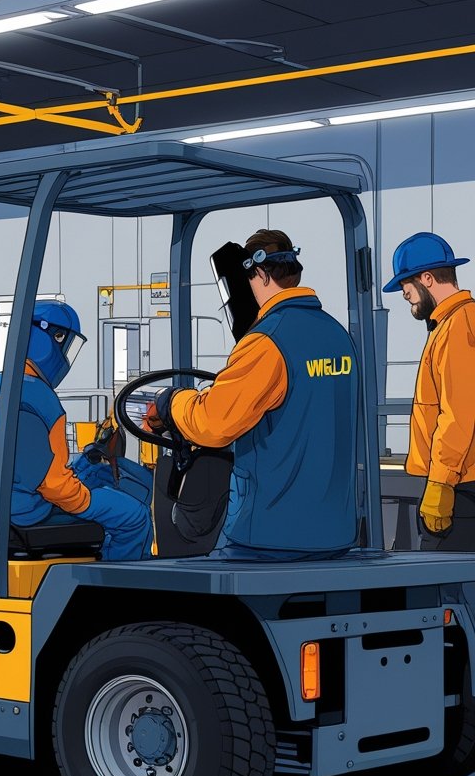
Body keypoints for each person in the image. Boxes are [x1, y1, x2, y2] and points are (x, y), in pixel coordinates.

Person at [145, 229, 359, 560]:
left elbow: (212, 424)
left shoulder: (266, 342)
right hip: (334, 533)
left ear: (260, 274)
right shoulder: (337, 336)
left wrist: (169, 402)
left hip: (270, 536)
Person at [0, 300, 153, 561]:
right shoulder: (41, 401)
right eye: (65, 344)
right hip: (26, 513)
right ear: (51, 339)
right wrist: (87, 500)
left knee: (96, 475)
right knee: (134, 516)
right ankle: (116, 579)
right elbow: (54, 486)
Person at [383, 232, 475, 550]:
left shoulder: (459, 325)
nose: (405, 294)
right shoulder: (451, 323)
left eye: (406, 285)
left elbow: (458, 412)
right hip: (459, 480)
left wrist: (440, 482)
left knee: (441, 571)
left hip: (462, 486)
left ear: (427, 278)